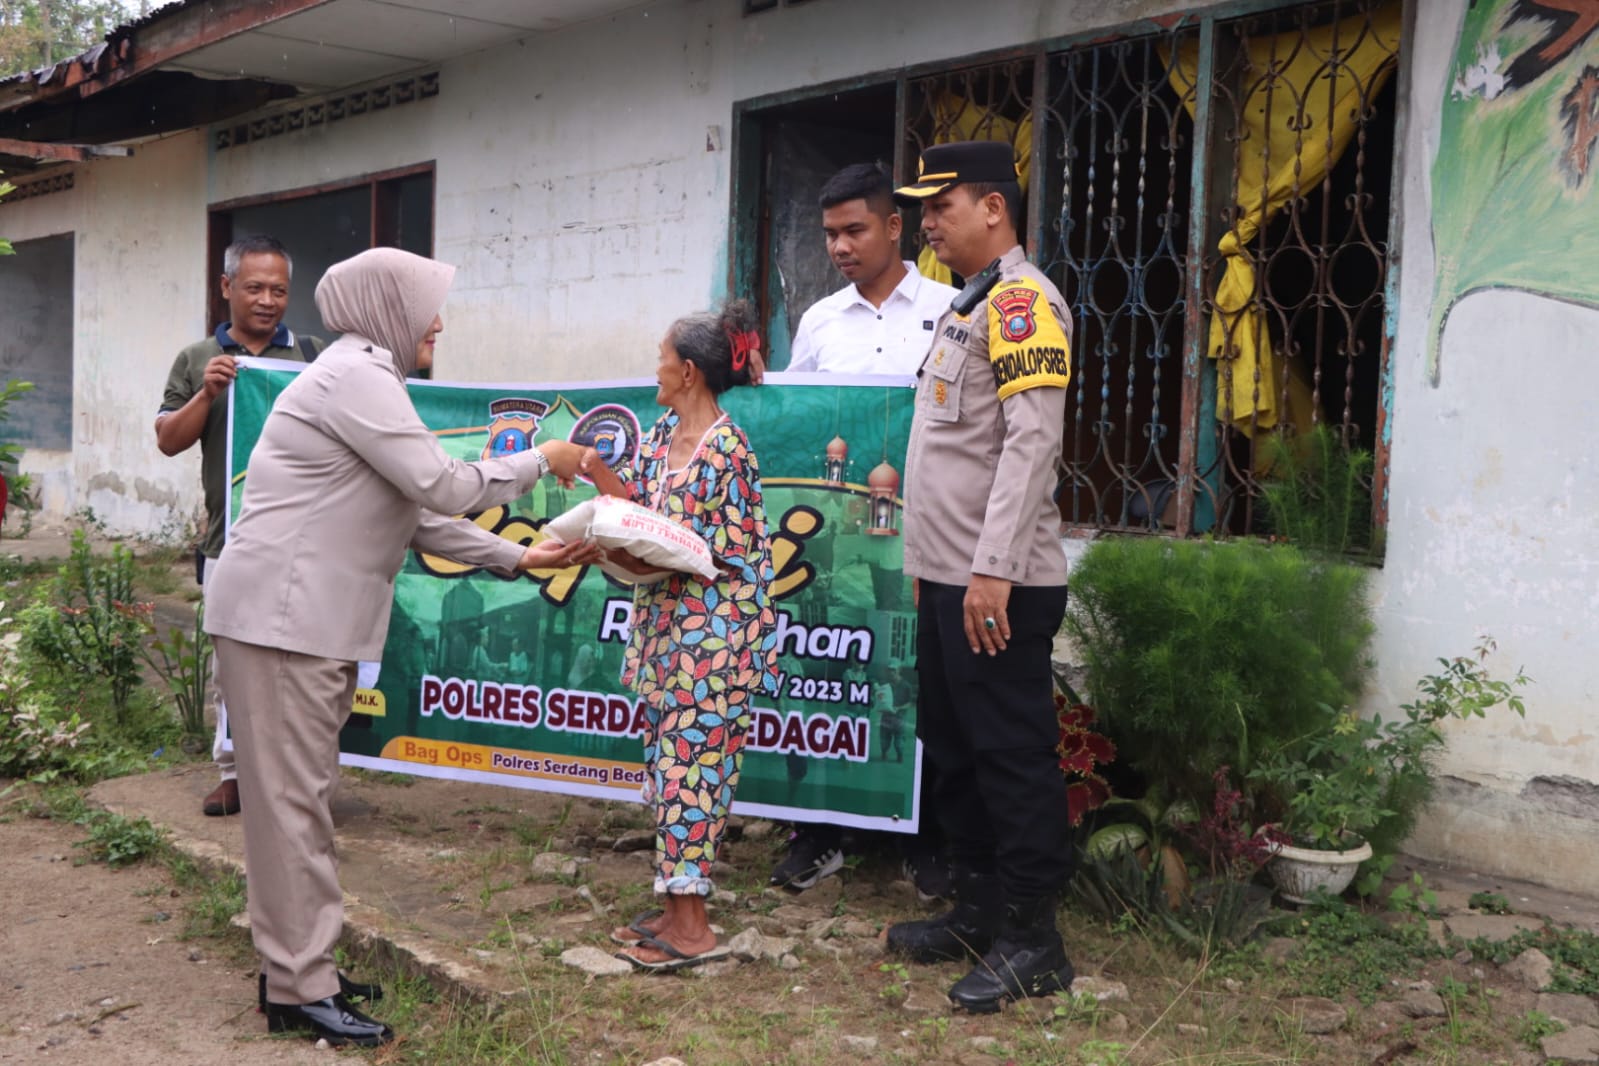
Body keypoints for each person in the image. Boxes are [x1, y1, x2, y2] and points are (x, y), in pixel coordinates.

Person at [203, 247, 597, 1046]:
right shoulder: (356, 379)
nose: (438, 323)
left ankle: (297, 973)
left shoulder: (362, 380)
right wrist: (543, 459)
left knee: (297, 803)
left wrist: (518, 557)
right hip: (285, 620)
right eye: (427, 306)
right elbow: (445, 486)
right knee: (290, 809)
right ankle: (298, 985)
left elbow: (411, 512)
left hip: (299, 620)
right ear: (389, 308)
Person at [883, 141, 1076, 1013]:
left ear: (992, 208)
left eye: (940, 206)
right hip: (948, 577)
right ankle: (978, 910)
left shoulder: (1026, 304)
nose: (926, 224)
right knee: (953, 750)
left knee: (1007, 757)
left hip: (998, 582)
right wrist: (931, 569)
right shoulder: (972, 304)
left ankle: (1035, 941)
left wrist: (990, 570)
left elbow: (1031, 446)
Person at [771, 163, 958, 897]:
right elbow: (800, 425)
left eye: (853, 230)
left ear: (892, 227)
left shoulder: (951, 309)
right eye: (829, 235)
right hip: (843, 545)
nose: (840, 247)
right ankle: (817, 836)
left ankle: (927, 841)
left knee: (924, 681)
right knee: (831, 674)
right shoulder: (819, 322)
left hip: (932, 534)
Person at [582, 299, 780, 972]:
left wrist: (612, 547)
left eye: (662, 358)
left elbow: (694, 554)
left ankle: (692, 928)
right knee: (666, 770)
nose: (656, 369)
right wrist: (590, 479)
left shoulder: (726, 451)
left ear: (690, 371)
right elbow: (640, 514)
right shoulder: (662, 432)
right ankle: (672, 908)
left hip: (716, 640)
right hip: (669, 631)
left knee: (692, 773)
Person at [156, 234, 323, 818]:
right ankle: (233, 773)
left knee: (304, 662)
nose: (267, 300)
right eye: (254, 287)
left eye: (279, 289)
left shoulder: (311, 354)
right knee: (233, 665)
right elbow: (168, 441)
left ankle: (298, 777)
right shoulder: (198, 358)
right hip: (229, 539)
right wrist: (207, 393)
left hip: (310, 540)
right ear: (226, 287)